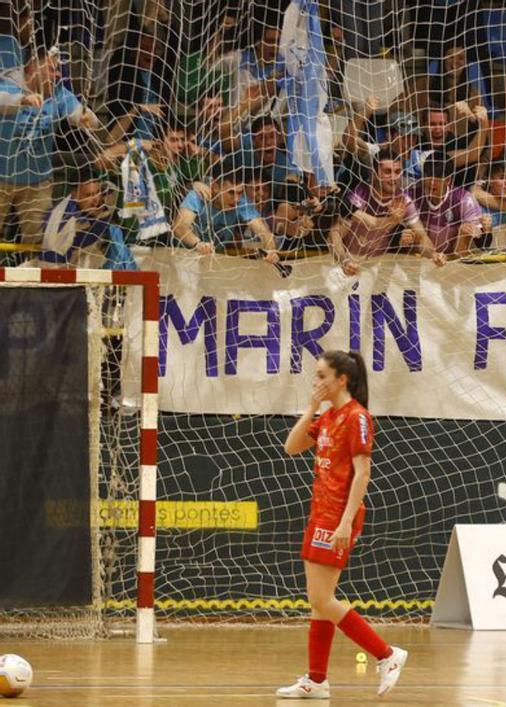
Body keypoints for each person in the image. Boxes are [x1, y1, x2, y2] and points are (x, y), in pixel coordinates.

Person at [277, 350, 407, 699]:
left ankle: (387, 654)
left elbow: (362, 473)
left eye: (321, 376)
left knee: (323, 598)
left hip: (337, 516)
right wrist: (311, 408)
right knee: (318, 602)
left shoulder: (357, 417)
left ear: (341, 379)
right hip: (318, 512)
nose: (316, 382)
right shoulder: (329, 416)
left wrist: (346, 522)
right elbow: (291, 447)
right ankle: (317, 680)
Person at [0, 47, 101, 245]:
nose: (57, 74)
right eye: (53, 69)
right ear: (32, 67)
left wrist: (86, 117)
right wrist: (22, 100)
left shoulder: (59, 93)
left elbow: (85, 116)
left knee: (41, 242)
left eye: (58, 70)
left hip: (38, 182)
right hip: (1, 178)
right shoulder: (9, 84)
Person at [330, 149, 444, 274]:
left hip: (379, 265)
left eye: (397, 171)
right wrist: (345, 261)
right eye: (387, 172)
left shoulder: (403, 200)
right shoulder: (359, 195)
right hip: (349, 261)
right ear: (374, 173)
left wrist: (433, 254)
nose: (394, 177)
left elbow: (422, 238)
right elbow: (335, 235)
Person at [171, 161, 280, 264]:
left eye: (240, 192)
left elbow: (263, 231)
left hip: (215, 259)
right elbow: (179, 227)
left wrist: (271, 251)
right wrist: (198, 244)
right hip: (183, 257)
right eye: (231, 193)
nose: (237, 199)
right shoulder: (198, 196)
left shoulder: (241, 202)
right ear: (215, 187)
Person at [406, 156, 482, 256]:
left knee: (465, 232)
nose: (432, 182)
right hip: (419, 260)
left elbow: (481, 240)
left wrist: (472, 231)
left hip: (452, 260)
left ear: (448, 180)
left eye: (438, 177)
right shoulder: (412, 196)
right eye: (429, 176)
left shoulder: (464, 199)